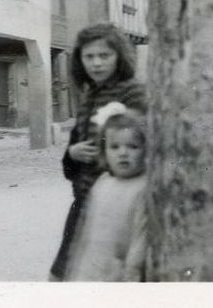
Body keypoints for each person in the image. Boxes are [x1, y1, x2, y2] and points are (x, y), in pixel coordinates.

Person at [48, 23, 146, 281]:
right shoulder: (89, 94)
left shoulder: (133, 92)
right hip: (84, 201)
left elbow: (143, 142)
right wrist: (73, 153)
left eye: (105, 55)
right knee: (65, 274)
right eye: (89, 57)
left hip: (117, 200)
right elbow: (73, 151)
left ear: (119, 56)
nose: (97, 63)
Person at [65, 108, 148, 281]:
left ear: (145, 150)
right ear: (104, 151)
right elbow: (88, 226)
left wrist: (132, 272)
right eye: (114, 147)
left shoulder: (143, 187)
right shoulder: (102, 182)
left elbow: (141, 237)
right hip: (90, 267)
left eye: (132, 146)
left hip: (119, 273)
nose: (123, 153)